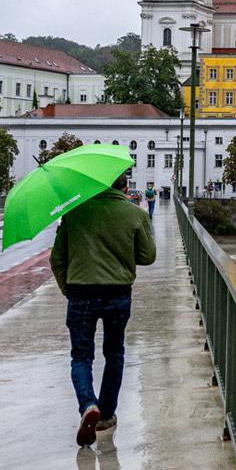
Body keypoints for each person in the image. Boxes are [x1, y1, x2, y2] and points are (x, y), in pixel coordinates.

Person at [51, 172, 157, 447]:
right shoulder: (134, 213)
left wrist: (68, 289)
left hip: (81, 293)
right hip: (118, 293)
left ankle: (88, 405)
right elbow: (148, 256)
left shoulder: (73, 214)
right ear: (124, 186)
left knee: (81, 357)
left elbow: (57, 259)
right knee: (114, 352)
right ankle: (106, 414)